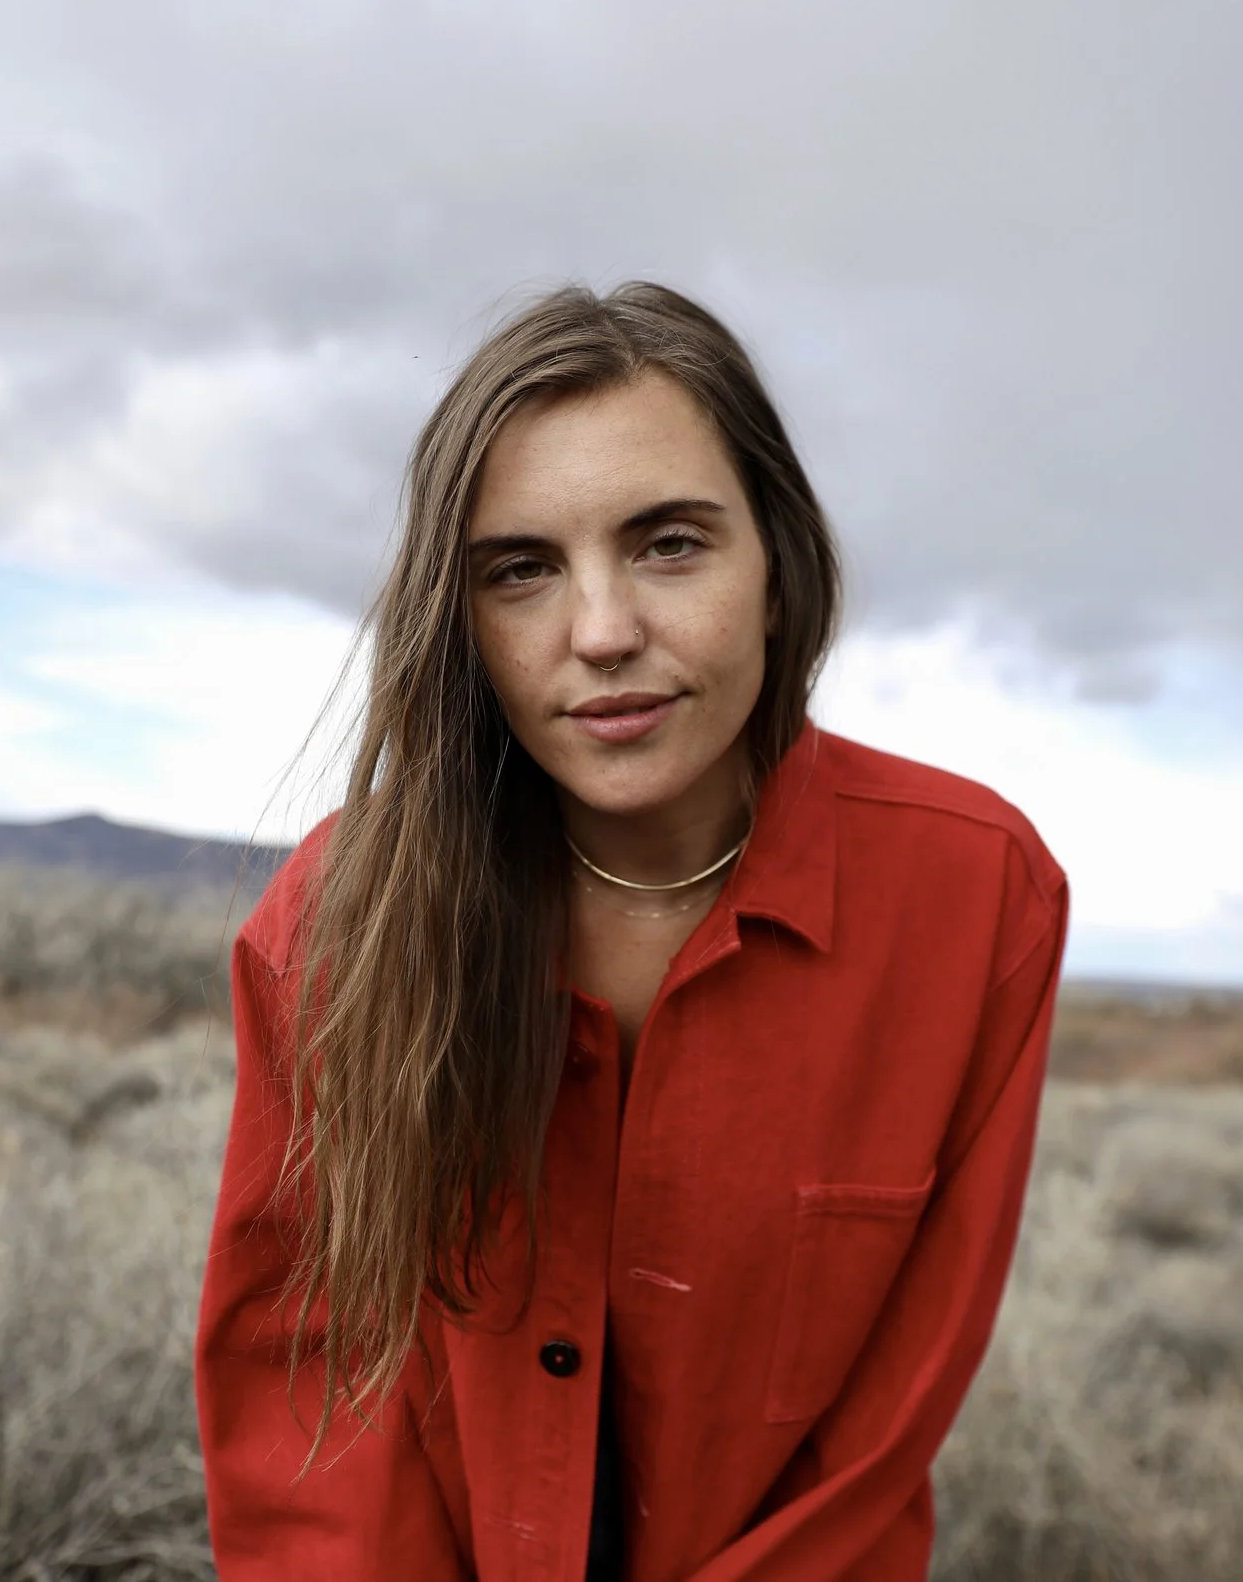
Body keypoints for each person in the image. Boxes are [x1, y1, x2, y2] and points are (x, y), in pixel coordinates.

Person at [194, 281, 1068, 1581]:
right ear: (462, 620)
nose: (601, 633)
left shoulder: (975, 894)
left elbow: (889, 1416)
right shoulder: (332, 921)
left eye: (670, 543)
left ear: (778, 567)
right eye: (522, 569)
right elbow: (308, 1397)